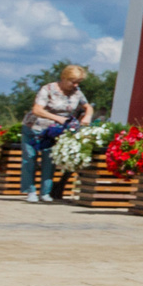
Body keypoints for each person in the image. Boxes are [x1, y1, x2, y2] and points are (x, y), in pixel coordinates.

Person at [22, 65, 93, 204]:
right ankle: (30, 191)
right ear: (64, 78)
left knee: (49, 160)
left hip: (54, 131)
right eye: (73, 81)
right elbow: (37, 109)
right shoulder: (48, 89)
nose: (76, 84)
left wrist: (87, 116)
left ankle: (45, 193)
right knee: (30, 159)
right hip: (35, 128)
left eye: (78, 82)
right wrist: (57, 118)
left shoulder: (76, 92)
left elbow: (87, 106)